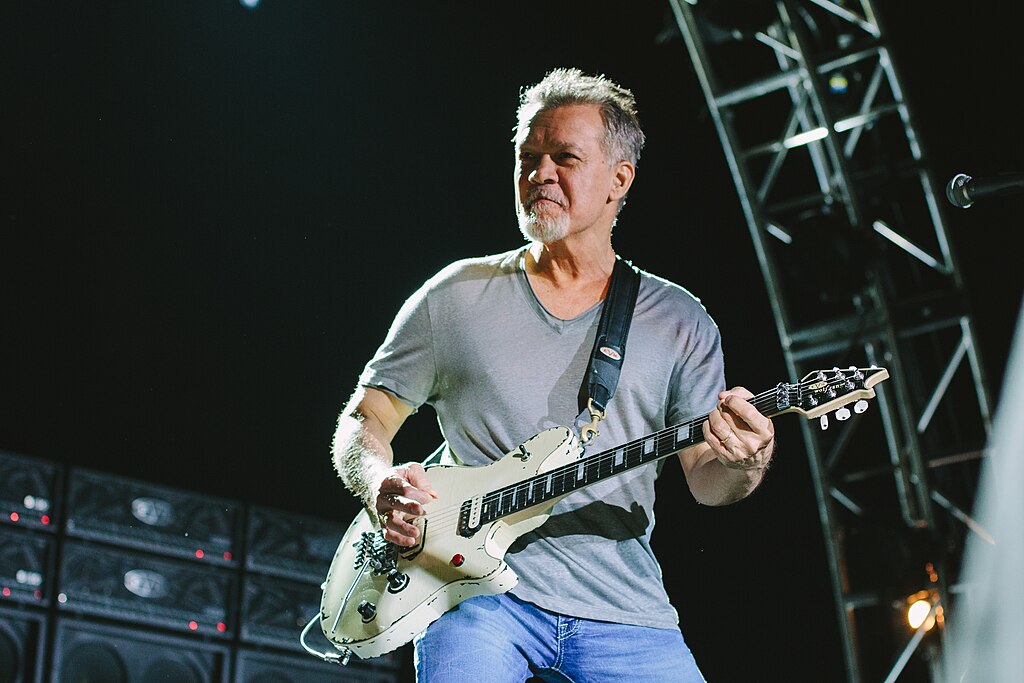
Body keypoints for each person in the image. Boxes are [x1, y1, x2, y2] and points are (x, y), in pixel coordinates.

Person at [331, 67, 776, 682]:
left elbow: (707, 483)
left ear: (620, 180)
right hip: (472, 597)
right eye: (529, 157)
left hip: (625, 609)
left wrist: (745, 460)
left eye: (565, 157)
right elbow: (366, 418)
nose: (541, 173)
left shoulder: (679, 321)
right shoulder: (456, 297)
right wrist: (379, 481)